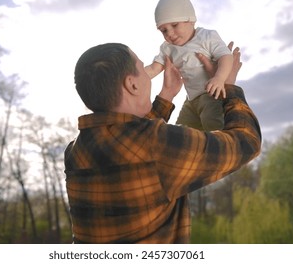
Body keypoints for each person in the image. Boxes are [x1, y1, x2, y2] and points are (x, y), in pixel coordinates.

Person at [64, 42, 261, 244]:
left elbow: (130, 142)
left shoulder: (75, 152)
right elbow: (247, 141)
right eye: (143, 69)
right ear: (132, 84)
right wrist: (227, 85)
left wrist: (167, 94)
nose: (149, 74)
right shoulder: (157, 145)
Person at [145, 0, 233, 131]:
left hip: (211, 95)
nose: (170, 34)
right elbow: (154, 68)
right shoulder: (167, 48)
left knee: (216, 130)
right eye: (164, 30)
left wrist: (219, 78)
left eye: (174, 25)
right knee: (180, 132)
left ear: (190, 20)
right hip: (191, 101)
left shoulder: (206, 37)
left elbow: (226, 57)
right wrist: (131, 77)